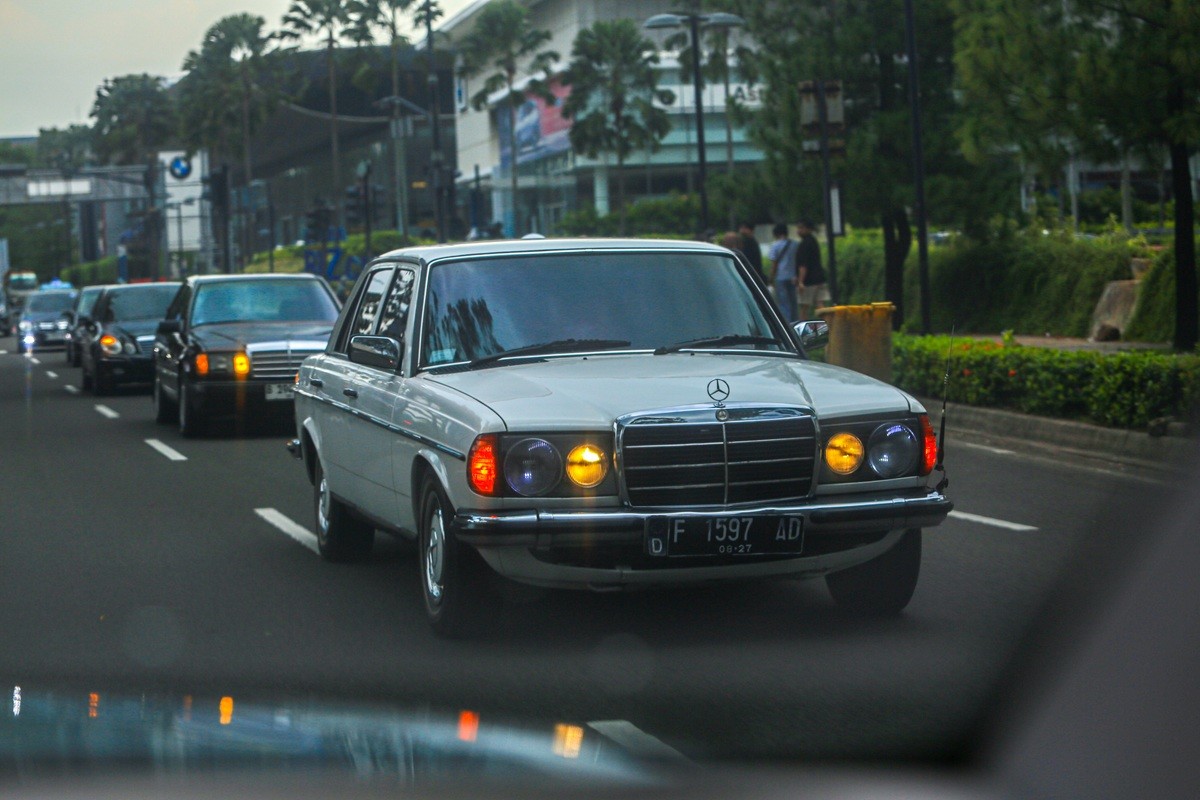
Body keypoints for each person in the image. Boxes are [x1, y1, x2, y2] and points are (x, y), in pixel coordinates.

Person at [795, 219, 829, 320]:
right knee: (820, 304)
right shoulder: (814, 241)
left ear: (808, 229)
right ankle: (828, 324)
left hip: (808, 280)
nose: (799, 231)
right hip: (819, 278)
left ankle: (802, 328)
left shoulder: (804, 244)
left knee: (804, 307)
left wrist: (800, 281)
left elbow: (803, 265)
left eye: (801, 228)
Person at [767, 223, 798, 323]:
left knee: (784, 304)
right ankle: (796, 322)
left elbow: (774, 264)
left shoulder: (775, 246)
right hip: (793, 277)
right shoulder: (795, 244)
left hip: (780, 278)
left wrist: (771, 278)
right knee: (793, 302)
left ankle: (788, 325)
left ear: (776, 234)